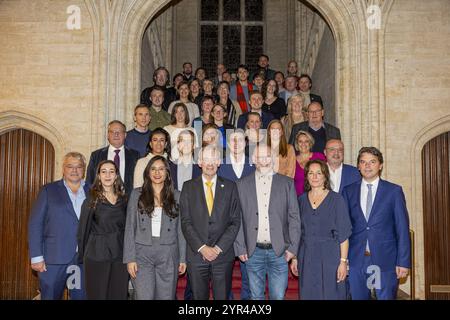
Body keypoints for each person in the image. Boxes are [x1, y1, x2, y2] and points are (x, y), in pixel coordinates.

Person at [342, 147, 411, 300]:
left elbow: (402, 229)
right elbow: (344, 228)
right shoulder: (348, 191)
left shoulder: (393, 191)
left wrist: (403, 262)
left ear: (380, 165)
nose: (367, 166)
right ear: (358, 166)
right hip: (356, 259)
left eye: (372, 162)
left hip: (385, 259)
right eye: (363, 162)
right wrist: (342, 260)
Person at [234, 144, 300, 300]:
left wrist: (293, 248)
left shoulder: (287, 184)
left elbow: (294, 218)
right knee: (256, 297)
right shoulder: (241, 185)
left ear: (273, 158)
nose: (264, 160)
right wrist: (240, 247)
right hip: (252, 251)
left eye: (267, 156)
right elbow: (237, 218)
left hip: (279, 251)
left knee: (278, 296)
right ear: (253, 159)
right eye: (259, 156)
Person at [180, 145, 241, 300]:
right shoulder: (188, 187)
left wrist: (217, 248)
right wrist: (202, 248)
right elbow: (185, 222)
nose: (210, 163)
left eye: (213, 159)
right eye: (206, 159)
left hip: (222, 256)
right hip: (196, 255)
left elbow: (235, 221)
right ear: (199, 162)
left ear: (219, 162)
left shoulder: (230, 186)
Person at [28, 152, 89, 299]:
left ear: (84, 169)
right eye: (70, 166)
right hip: (54, 260)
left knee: (79, 296)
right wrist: (36, 257)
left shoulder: (92, 190)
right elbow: (35, 223)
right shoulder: (48, 190)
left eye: (78, 167)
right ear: (63, 169)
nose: (74, 170)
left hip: (81, 261)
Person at [124, 156, 187, 299]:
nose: (157, 173)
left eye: (161, 169)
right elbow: (129, 227)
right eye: (153, 169)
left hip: (168, 254)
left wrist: (183, 258)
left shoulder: (177, 196)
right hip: (142, 254)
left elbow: (181, 230)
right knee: (143, 296)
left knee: (166, 297)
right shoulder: (136, 194)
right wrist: (130, 258)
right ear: (147, 172)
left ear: (167, 173)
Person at [291, 160, 351, 300]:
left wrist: (343, 262)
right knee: (308, 294)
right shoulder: (300, 200)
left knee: (331, 294)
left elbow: (344, 235)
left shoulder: (337, 200)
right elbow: (296, 232)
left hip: (330, 256)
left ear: (325, 176)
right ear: (306, 177)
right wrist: (294, 258)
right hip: (306, 256)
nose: (315, 176)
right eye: (311, 173)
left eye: (319, 173)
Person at [77, 160, 129, 300]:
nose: (107, 175)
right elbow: (83, 231)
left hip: (120, 256)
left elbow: (128, 229)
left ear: (116, 175)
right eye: (103, 171)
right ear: (98, 176)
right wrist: (82, 255)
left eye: (111, 171)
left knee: (118, 295)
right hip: (97, 255)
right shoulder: (91, 200)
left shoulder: (124, 200)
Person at [218, 129, 255, 300]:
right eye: (232, 140)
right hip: (225, 227)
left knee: (248, 274)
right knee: (225, 274)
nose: (236, 143)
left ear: (246, 143)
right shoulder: (219, 165)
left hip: (248, 227)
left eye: (240, 140)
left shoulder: (254, 165)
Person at [86, 120, 139, 196]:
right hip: (102, 201)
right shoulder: (96, 155)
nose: (116, 135)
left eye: (119, 132)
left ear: (125, 135)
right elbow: (90, 181)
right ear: (108, 135)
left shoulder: (135, 155)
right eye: (112, 132)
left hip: (127, 202)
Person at [293, 130, 326, 196]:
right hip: (298, 199)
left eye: (306, 141)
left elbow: (326, 176)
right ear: (297, 143)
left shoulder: (320, 157)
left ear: (310, 143)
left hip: (318, 196)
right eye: (300, 141)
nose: (303, 144)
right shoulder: (292, 160)